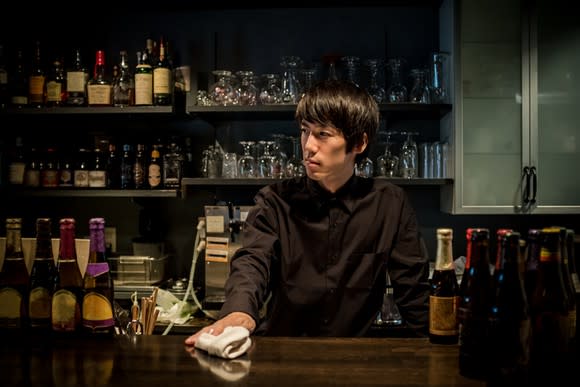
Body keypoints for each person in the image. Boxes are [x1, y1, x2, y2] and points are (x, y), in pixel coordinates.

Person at [185, 79, 429, 345]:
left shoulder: (389, 204)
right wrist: (240, 311)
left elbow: (414, 292)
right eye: (305, 131)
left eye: (323, 134)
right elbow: (252, 263)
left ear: (358, 143)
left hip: (356, 361)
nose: (308, 145)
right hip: (282, 356)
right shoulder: (274, 201)